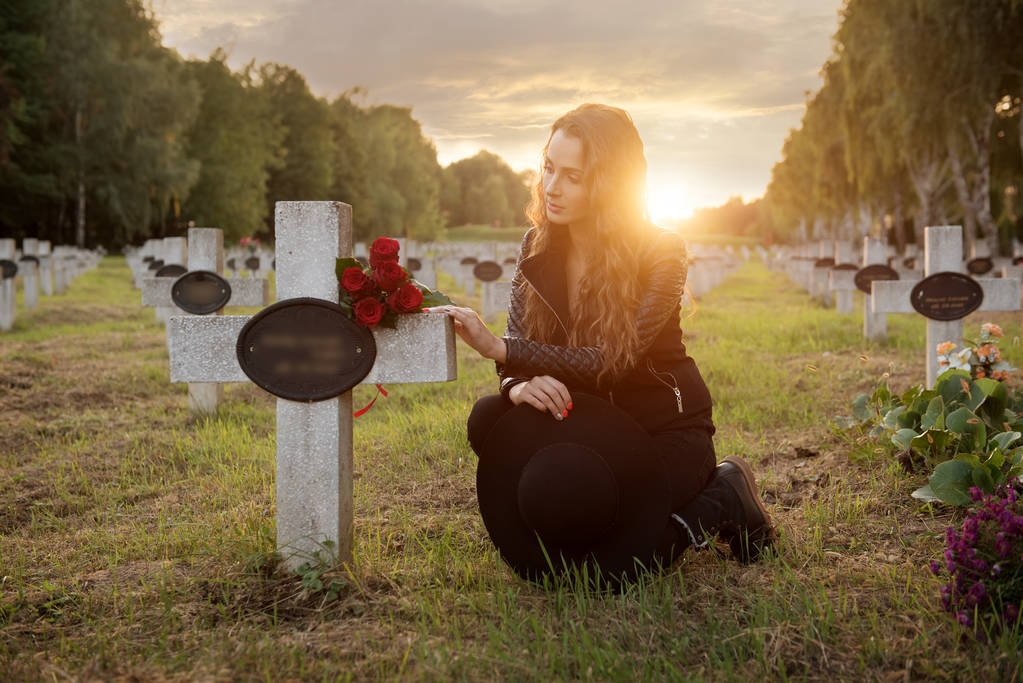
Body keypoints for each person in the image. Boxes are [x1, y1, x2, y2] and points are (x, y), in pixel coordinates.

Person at [429, 103, 776, 583]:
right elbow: (518, 344)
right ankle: (588, 502)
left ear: (610, 183)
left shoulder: (662, 251)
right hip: (586, 422)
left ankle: (724, 493)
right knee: (490, 417)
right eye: (549, 168)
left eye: (574, 176)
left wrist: (501, 352)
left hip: (663, 431)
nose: (552, 187)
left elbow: (612, 362)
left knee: (621, 563)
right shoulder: (536, 244)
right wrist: (515, 385)